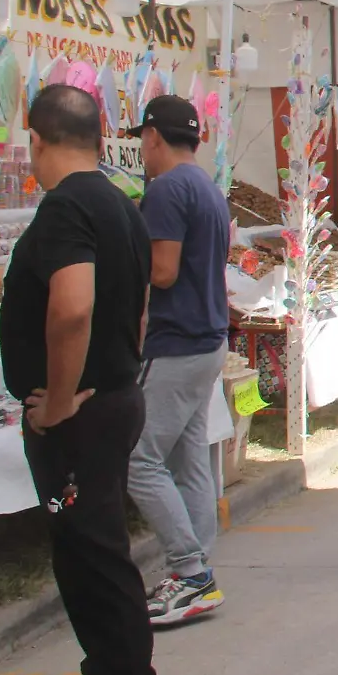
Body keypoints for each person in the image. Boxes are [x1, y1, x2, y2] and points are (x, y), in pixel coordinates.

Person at [3, 85, 163, 675]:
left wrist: (63, 399)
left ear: (37, 139)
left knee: (96, 558)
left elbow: (72, 306)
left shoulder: (68, 206)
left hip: (82, 414)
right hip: (112, 397)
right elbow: (142, 307)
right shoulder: (118, 204)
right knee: (83, 555)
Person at [122, 96, 231, 628]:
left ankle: (190, 573)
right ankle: (197, 568)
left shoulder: (165, 189)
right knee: (190, 461)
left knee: (137, 459)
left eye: (142, 139)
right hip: (208, 341)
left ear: (152, 137)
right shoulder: (208, 187)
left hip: (178, 343)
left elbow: (162, 272)